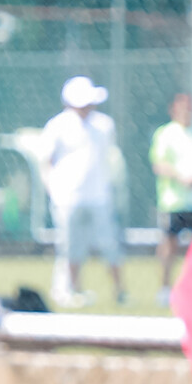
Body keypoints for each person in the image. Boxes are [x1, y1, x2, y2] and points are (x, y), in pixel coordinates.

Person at [36, 74, 126, 308]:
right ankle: (73, 289)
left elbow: (109, 158)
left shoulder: (104, 125)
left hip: (99, 197)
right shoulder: (57, 126)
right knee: (71, 247)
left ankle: (120, 292)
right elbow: (46, 161)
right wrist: (53, 190)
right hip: (68, 198)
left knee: (110, 244)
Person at [150, 89, 192, 304]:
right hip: (173, 202)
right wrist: (181, 178)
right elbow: (159, 164)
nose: (186, 111)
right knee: (169, 245)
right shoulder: (165, 133)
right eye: (181, 107)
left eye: (189, 107)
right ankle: (165, 289)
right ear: (173, 109)